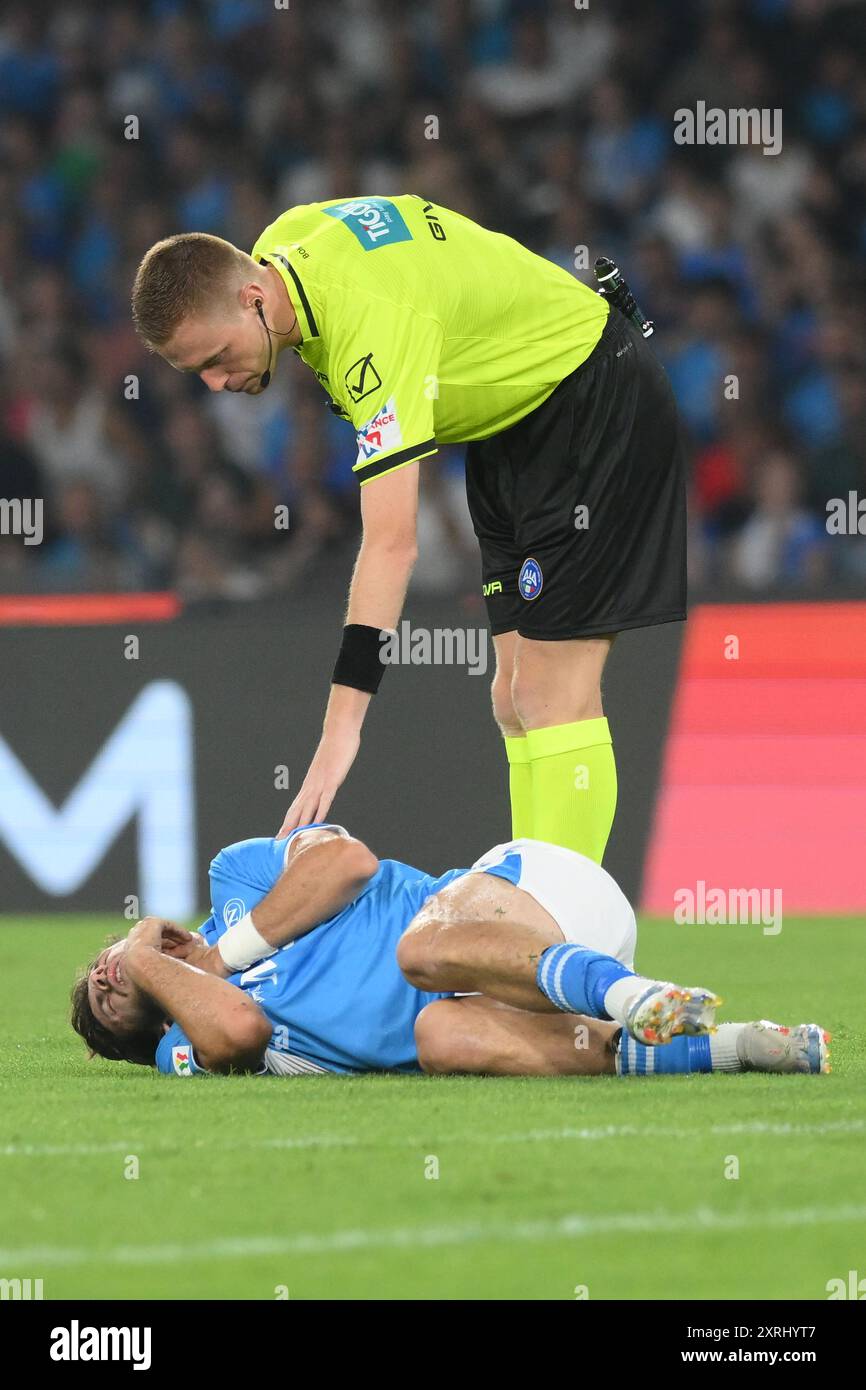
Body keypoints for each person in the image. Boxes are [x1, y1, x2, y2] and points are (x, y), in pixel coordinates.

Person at [131, 195, 687, 865]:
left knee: (550, 693)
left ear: (253, 296)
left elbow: (393, 543)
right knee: (512, 697)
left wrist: (341, 730)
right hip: (511, 425)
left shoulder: (369, 325)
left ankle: (566, 939)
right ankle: (535, 918)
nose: (218, 384)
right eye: (200, 374)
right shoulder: (286, 243)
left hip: (591, 399)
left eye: (218, 358)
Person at [71, 823, 829, 1079]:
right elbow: (240, 1029)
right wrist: (143, 956)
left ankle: (635, 995)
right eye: (109, 992)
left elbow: (348, 863)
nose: (114, 970)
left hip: (533, 894)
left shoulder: (234, 876)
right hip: (519, 1000)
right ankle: (738, 1047)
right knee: (440, 1036)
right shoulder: (188, 1042)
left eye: (104, 961)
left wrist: (221, 951)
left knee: (420, 949)